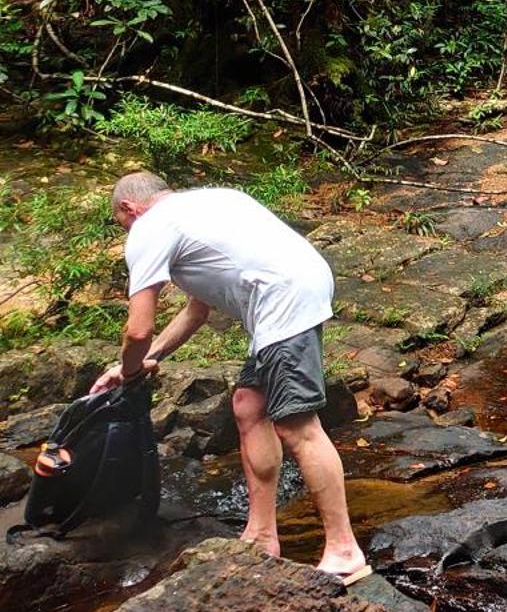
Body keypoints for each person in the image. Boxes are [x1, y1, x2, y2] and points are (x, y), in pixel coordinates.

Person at [91, 171, 369, 583]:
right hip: (293, 289)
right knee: (248, 407)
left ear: (130, 209)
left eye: (124, 224)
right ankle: (260, 536)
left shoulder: (150, 226)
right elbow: (195, 313)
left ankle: (344, 550)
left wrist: (129, 373)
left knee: (297, 425)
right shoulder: (208, 203)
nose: (128, 232)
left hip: (281, 299)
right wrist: (145, 360)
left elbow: (136, 329)